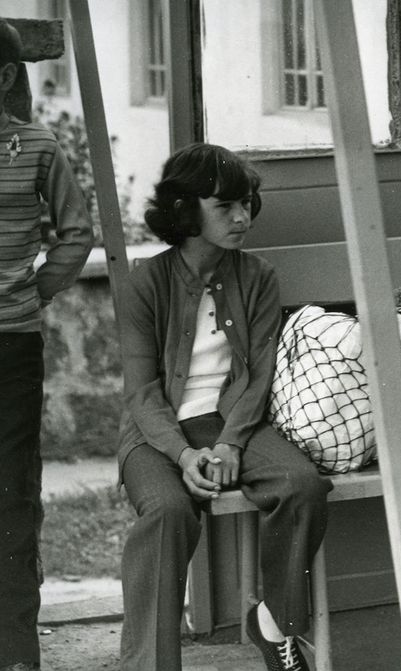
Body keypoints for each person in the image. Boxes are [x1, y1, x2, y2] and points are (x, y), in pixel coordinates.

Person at [117, 143, 331, 671]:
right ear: (186, 212)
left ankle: (274, 623)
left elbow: (258, 374)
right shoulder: (146, 282)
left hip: (236, 419)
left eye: (247, 204)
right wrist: (186, 456)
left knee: (301, 485)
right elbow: (142, 392)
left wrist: (230, 441)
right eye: (225, 206)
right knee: (167, 512)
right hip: (155, 431)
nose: (242, 217)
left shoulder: (257, 277)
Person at [0, 19, 93, 671]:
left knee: (11, 498)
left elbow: (76, 231)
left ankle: (16, 654)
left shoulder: (36, 145)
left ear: (4, 77)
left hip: (11, 347)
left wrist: (35, 292)